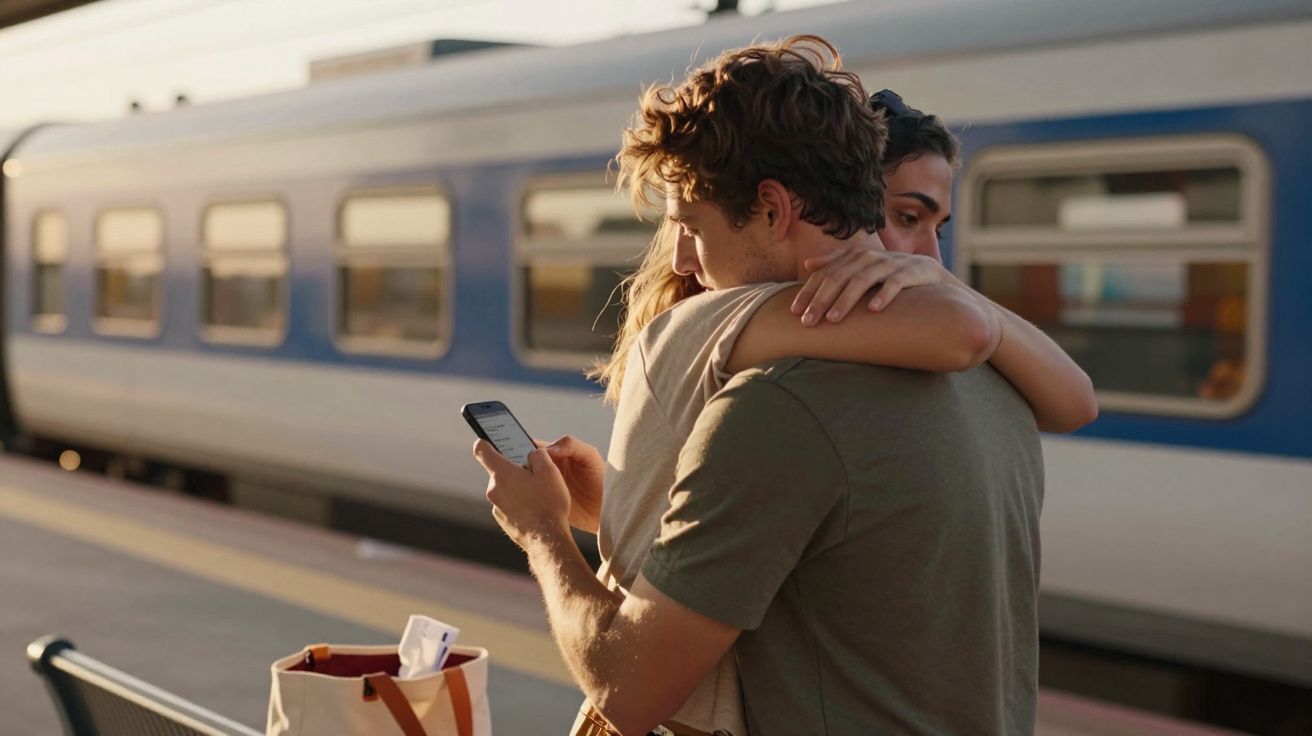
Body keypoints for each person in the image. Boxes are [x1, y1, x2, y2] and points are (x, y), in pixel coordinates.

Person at [475, 36, 1080, 735]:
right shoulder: (999, 382)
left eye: (692, 225)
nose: (687, 263)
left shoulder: (774, 406)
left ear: (773, 207)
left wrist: (543, 532)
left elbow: (628, 689)